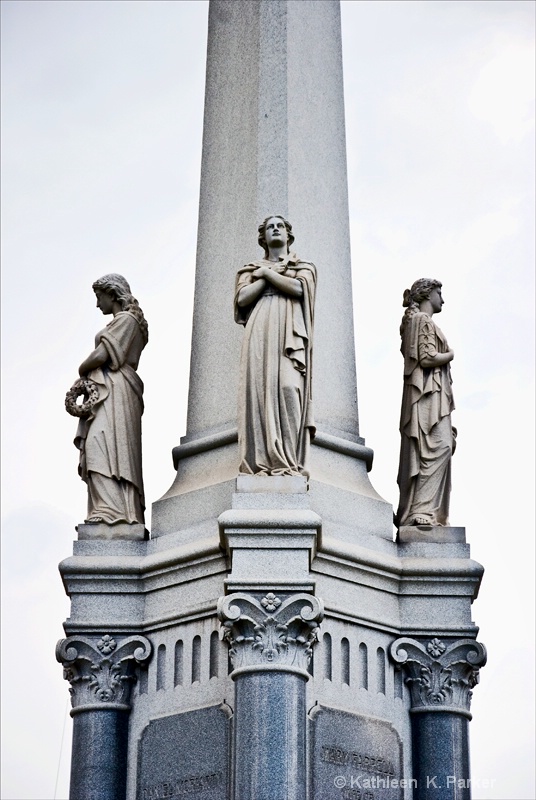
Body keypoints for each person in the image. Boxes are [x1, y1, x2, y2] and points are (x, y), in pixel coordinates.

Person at [234, 216, 316, 476]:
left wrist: (268, 273)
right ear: (263, 237)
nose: (275, 230)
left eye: (280, 226)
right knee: (261, 389)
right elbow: (243, 298)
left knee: (289, 387)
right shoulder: (250, 269)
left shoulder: (302, 265)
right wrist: (266, 276)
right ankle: (263, 459)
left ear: (288, 235)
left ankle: (289, 460)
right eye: (270, 227)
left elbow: (299, 289)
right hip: (260, 325)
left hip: (290, 330)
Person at [75, 274, 148, 524]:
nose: (98, 305)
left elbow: (102, 355)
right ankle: (105, 507)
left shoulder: (126, 320)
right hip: (108, 387)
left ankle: (113, 510)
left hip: (115, 389)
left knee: (104, 444)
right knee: (102, 445)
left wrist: (81, 368)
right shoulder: (123, 321)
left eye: (99, 297)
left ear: (112, 294)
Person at [395, 278, 456, 527]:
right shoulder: (422, 320)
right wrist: (450, 354)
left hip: (433, 393)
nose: (442, 299)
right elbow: (427, 358)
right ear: (426, 294)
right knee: (434, 447)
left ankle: (426, 508)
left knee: (439, 446)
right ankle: (420, 510)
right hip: (426, 395)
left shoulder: (420, 320)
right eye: (439, 292)